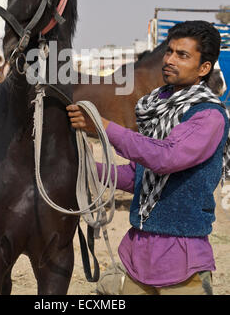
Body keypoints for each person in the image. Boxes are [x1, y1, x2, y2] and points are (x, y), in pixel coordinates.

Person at [67, 20, 230, 295]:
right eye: (169, 51)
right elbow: (138, 175)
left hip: (182, 266)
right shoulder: (157, 109)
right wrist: (81, 168)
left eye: (183, 55)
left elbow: (165, 158)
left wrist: (104, 127)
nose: (170, 60)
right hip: (137, 261)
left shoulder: (208, 116)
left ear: (204, 69)